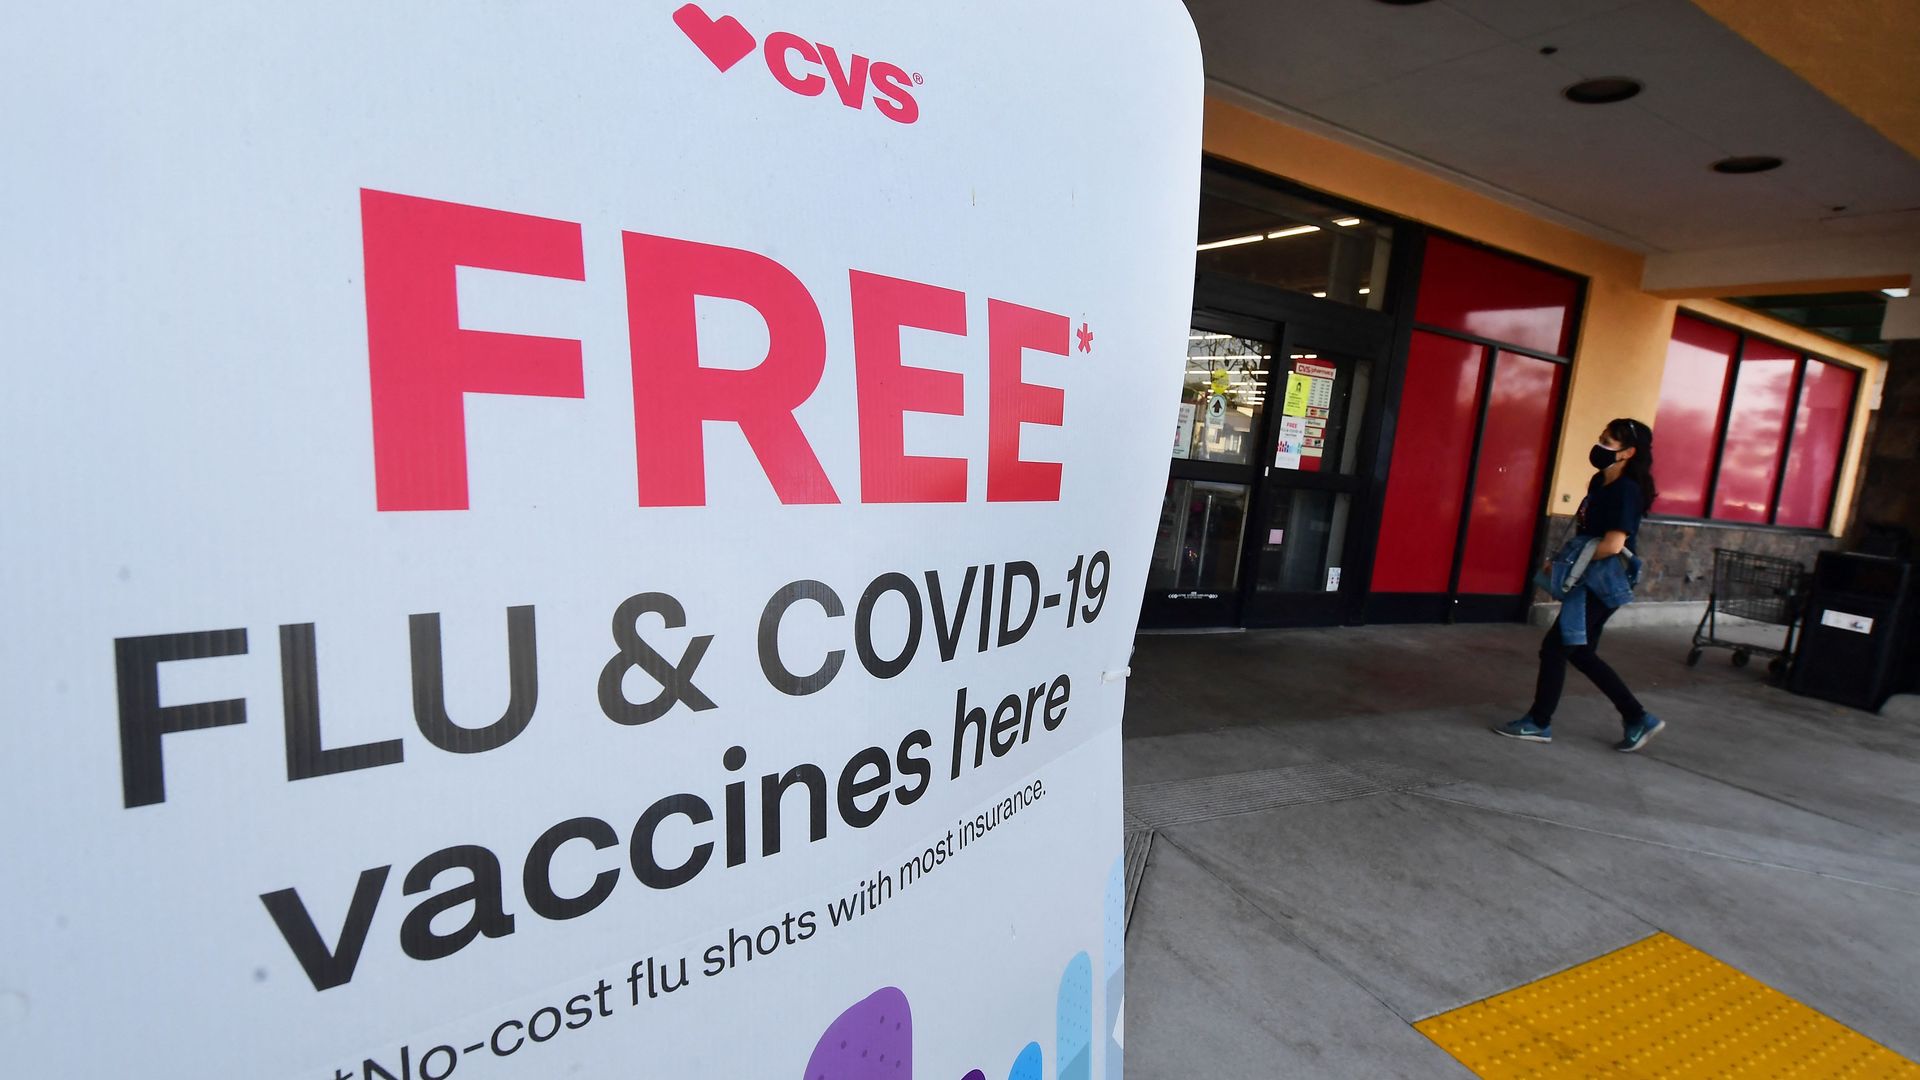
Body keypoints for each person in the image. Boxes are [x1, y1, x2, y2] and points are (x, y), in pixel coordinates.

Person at [1494, 418, 1666, 752]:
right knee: (1581, 652)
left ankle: (1539, 722)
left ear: (1629, 452)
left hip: (1600, 583)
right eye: (1601, 437)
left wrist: (1567, 564)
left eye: (1608, 442)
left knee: (1556, 648)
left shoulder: (1626, 491)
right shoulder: (1599, 482)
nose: (1599, 445)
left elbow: (1614, 545)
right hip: (1589, 578)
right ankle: (1637, 717)